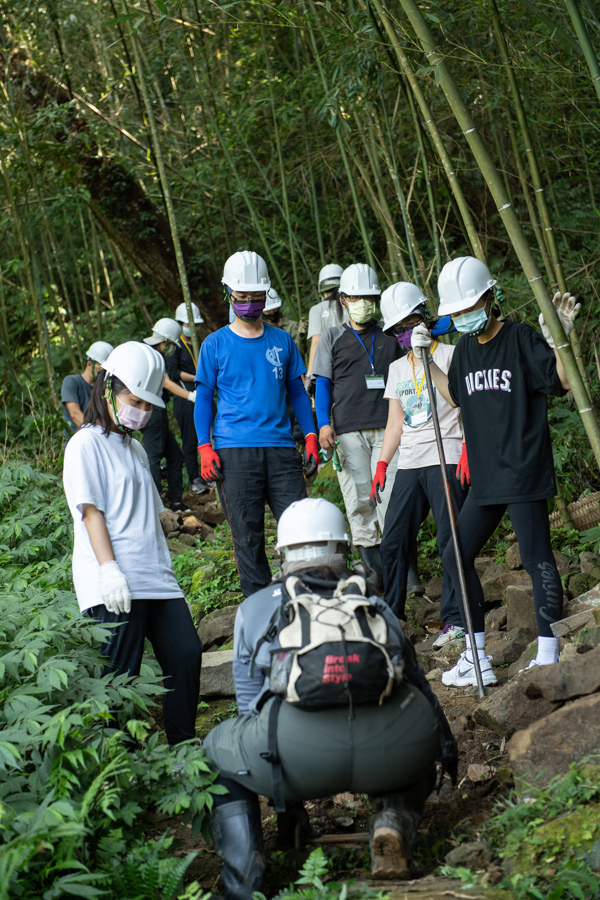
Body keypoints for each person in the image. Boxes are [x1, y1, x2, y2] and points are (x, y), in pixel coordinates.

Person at [202, 497, 458, 898]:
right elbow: (416, 681)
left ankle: (243, 880)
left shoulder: (254, 609)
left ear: (283, 552)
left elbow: (252, 708)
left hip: (297, 758)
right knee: (414, 718)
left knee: (216, 748)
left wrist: (285, 799)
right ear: (344, 548)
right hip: (394, 751)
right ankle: (393, 818)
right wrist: (444, 746)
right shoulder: (371, 602)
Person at [412, 256, 577, 686]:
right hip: (485, 479)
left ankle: (547, 653)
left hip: (522, 470)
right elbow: (454, 397)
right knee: (454, 554)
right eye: (459, 311)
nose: (466, 316)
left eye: (472, 306)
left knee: (537, 557)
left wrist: (560, 339)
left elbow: (561, 382)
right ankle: (476, 655)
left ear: (491, 297)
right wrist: (425, 356)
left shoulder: (521, 338)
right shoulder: (465, 349)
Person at [62, 341, 202, 746]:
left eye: (146, 403)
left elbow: (151, 516)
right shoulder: (85, 444)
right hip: (114, 581)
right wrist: (108, 570)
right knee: (120, 681)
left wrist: (172, 562)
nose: (139, 409)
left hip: (154, 577)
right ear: (108, 388)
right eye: (133, 399)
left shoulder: (135, 449)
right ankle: (122, 775)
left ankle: (183, 751)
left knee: (186, 654)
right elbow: (91, 513)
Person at [193, 251, 319, 597]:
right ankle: (261, 615)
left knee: (301, 530)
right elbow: (204, 398)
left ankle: (309, 601)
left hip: (281, 450)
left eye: (256, 297)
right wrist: (204, 446)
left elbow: (296, 392)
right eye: (242, 297)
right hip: (234, 452)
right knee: (247, 539)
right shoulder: (215, 344)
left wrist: (310, 436)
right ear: (228, 294)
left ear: (266, 295)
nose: (249, 303)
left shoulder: (281, 340)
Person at [313, 263, 421, 593]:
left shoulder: (391, 333)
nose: (364, 302)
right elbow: (322, 384)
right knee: (360, 500)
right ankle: (378, 578)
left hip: (391, 426)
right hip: (347, 430)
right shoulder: (332, 336)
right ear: (344, 300)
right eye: (357, 297)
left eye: (370, 297)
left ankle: (406, 572)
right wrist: (323, 425)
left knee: (393, 502)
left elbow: (417, 359)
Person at [371, 282, 465, 646]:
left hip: (447, 455)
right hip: (410, 460)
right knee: (393, 539)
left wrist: (468, 448)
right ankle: (392, 615)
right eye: (398, 329)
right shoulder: (396, 368)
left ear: (425, 317)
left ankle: (455, 619)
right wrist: (382, 463)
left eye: (410, 323)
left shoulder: (452, 355)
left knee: (450, 538)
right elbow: (396, 422)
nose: (406, 333)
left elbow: (461, 405)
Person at [142, 317, 197, 512]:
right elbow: (166, 382)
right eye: (172, 344)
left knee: (175, 457)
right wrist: (190, 396)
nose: (172, 348)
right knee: (153, 459)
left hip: (158, 410)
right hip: (151, 410)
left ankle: (175, 503)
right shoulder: (154, 355)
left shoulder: (149, 352)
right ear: (164, 341)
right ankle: (157, 509)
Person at [168, 302, 212, 495]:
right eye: (188, 324)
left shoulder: (198, 343)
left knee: (206, 434)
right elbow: (174, 373)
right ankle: (195, 478)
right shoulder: (175, 345)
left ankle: (208, 473)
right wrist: (197, 376)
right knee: (190, 439)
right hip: (184, 397)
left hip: (201, 395)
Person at [61, 341, 114, 437]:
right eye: (101, 371)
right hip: (77, 440)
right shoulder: (71, 382)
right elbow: (75, 414)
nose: (103, 375)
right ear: (89, 364)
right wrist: (97, 436)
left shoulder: (104, 388)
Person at [306, 264, 347, 381]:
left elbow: (316, 343)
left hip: (326, 371)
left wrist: (309, 375)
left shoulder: (317, 309)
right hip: (352, 364)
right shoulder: (351, 307)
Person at [263, 288, 308, 357]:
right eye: (268, 311)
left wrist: (300, 334)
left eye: (274, 309)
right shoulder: (261, 328)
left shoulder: (291, 326)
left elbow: (299, 353)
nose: (272, 312)